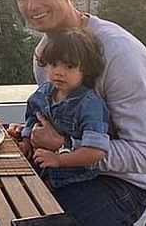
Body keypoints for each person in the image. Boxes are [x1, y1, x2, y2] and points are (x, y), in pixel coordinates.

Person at [7, 0, 146, 226]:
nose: (32, 6)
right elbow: (61, 116)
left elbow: (145, 156)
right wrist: (30, 133)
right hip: (66, 170)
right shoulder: (45, 52)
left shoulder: (119, 53)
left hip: (120, 186)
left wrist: (65, 146)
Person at [17, 27, 110, 189]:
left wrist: (59, 159)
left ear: (86, 68)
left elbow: (96, 152)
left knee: (29, 197)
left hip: (72, 178)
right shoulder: (44, 91)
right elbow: (33, 115)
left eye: (69, 66)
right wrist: (26, 139)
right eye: (53, 64)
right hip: (40, 164)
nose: (59, 72)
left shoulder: (90, 105)